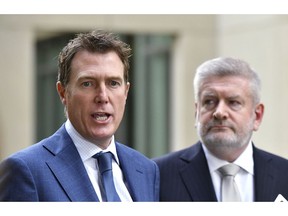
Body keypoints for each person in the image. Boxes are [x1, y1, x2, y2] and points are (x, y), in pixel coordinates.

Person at [0, 30, 160, 201]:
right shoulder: (26, 171)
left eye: (113, 83)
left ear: (126, 92)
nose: (103, 97)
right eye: (88, 84)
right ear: (63, 93)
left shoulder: (147, 170)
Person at [154, 57, 288, 202]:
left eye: (233, 102)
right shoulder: (158, 175)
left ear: (257, 116)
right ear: (196, 112)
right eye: (209, 101)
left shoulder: (284, 174)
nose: (219, 112)